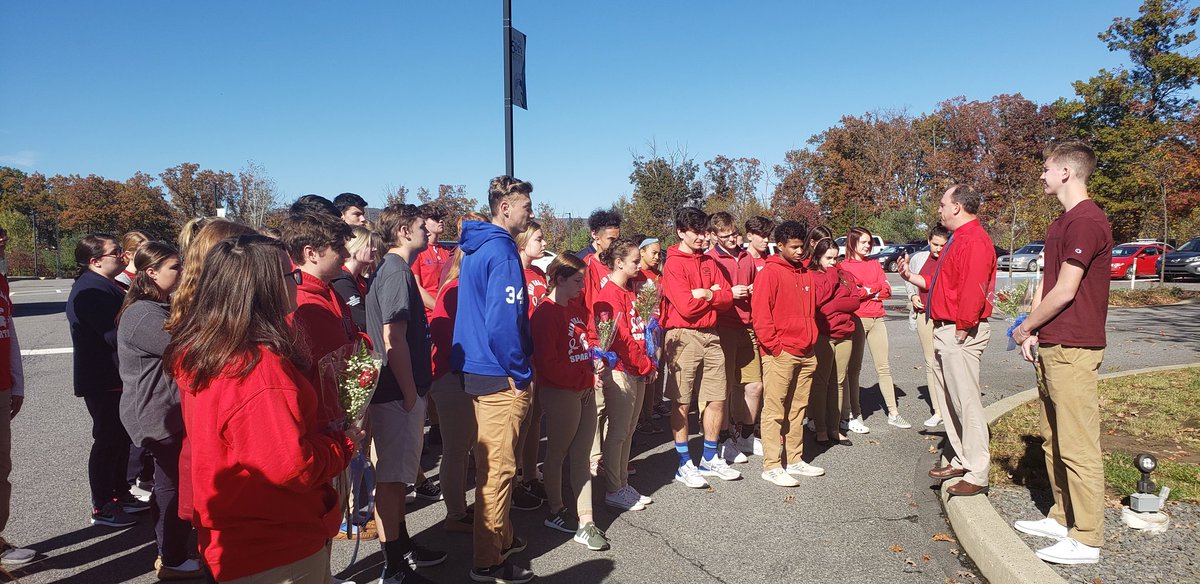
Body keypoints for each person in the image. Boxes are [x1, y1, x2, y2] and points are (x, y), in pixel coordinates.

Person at [168, 234, 358, 583]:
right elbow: (290, 466)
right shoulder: (256, 367)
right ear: (267, 288)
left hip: (235, 529)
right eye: (291, 276)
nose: (296, 282)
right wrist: (342, 444)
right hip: (273, 541)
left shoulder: (210, 348)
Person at [1010, 142, 1112, 565]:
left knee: (1077, 444)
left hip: (1075, 348)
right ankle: (1061, 515)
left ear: (1067, 172)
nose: (1042, 174)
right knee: (1053, 439)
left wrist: (1026, 326)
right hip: (1052, 343)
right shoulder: (1062, 223)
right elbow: (1047, 286)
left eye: (1047, 167)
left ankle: (1087, 538)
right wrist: (1032, 330)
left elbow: (1068, 290)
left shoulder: (1087, 222)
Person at [452, 175, 535, 584]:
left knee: (494, 464)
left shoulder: (476, 247)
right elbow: (504, 323)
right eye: (525, 206)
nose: (530, 213)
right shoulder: (500, 251)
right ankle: (487, 561)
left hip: (480, 371)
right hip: (499, 375)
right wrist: (521, 373)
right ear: (505, 208)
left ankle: (503, 538)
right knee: (498, 471)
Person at [365, 204, 447, 583]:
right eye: (419, 226)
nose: (426, 232)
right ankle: (394, 564)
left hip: (401, 391)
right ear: (402, 230)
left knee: (397, 478)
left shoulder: (395, 269)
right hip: (398, 392)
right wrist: (411, 393)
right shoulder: (396, 271)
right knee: (393, 480)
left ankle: (403, 547)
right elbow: (392, 337)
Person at [115, 241, 201, 580]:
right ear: (151, 272)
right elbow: (187, 350)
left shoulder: (158, 307)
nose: (181, 273)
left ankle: (171, 549)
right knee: (172, 485)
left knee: (172, 483)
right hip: (155, 414)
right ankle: (173, 556)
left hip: (166, 410)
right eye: (174, 268)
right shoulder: (143, 314)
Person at [912, 184, 996, 498]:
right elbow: (948, 282)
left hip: (960, 331)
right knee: (951, 401)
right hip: (947, 328)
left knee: (966, 402)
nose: (940, 209)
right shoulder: (959, 239)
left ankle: (977, 471)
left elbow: (974, 287)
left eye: (943, 203)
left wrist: (963, 327)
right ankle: (962, 458)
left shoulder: (973, 240)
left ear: (958, 206)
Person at [67, 234, 151, 528]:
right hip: (104, 377)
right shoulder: (90, 290)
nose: (123, 256)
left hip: (116, 375)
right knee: (107, 439)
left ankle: (119, 492)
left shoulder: (107, 285)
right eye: (116, 252)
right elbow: (114, 334)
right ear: (95, 261)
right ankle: (101, 504)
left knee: (120, 438)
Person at [530, 254, 609, 551]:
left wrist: (596, 359)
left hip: (584, 387)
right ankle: (556, 509)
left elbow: (588, 338)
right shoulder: (545, 314)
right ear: (559, 279)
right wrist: (585, 376)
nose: (582, 287)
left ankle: (586, 520)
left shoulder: (575, 305)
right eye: (577, 281)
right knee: (558, 452)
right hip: (562, 392)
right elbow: (548, 365)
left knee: (582, 455)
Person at [661, 207, 740, 489]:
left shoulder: (709, 261)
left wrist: (708, 293)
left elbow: (728, 297)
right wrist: (714, 295)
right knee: (682, 401)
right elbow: (685, 306)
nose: (701, 237)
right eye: (695, 232)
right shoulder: (673, 264)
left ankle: (709, 457)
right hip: (683, 335)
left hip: (712, 333)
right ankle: (684, 463)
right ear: (681, 232)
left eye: (704, 231)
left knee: (717, 397)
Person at [750, 221, 824, 487]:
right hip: (781, 353)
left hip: (806, 351)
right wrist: (775, 347)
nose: (799, 251)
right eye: (793, 247)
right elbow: (760, 314)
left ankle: (794, 459)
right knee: (774, 410)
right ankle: (771, 464)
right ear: (779, 246)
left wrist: (810, 342)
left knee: (798, 409)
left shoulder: (804, 272)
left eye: (801, 246)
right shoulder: (770, 273)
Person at [590, 239, 656, 510]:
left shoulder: (628, 292)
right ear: (618, 263)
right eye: (634, 262)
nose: (639, 266)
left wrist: (649, 357)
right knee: (618, 431)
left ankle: (621, 483)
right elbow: (621, 339)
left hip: (637, 368)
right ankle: (614, 487)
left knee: (628, 430)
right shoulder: (609, 294)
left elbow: (639, 329)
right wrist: (643, 364)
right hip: (621, 370)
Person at [840, 226, 909, 432]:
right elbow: (852, 294)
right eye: (863, 242)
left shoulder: (875, 264)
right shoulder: (844, 266)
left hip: (877, 318)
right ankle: (854, 413)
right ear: (852, 242)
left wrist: (870, 291)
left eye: (869, 242)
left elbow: (886, 290)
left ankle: (893, 412)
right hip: (857, 320)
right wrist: (870, 290)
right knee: (854, 369)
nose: (868, 245)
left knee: (884, 366)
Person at [705, 212, 762, 464]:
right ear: (714, 235)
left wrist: (752, 289)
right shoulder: (710, 259)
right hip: (724, 327)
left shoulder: (746, 257)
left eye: (733, 234)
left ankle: (747, 435)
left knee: (754, 385)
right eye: (725, 236)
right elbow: (709, 294)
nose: (731, 240)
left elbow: (756, 285)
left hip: (748, 326)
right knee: (724, 388)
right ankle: (724, 438)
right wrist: (729, 292)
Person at [808, 235, 860, 446]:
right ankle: (820, 428)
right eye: (828, 258)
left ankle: (834, 427)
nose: (833, 262)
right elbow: (819, 300)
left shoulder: (845, 275)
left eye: (835, 258)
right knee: (821, 383)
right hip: (823, 335)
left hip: (844, 334)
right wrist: (831, 276)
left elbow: (855, 300)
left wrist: (834, 306)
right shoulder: (813, 275)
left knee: (838, 382)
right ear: (818, 257)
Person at [0, 232, 32, 566]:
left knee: (1, 468)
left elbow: (9, 333)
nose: (1, 240)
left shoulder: (1, 282)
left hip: (2, 388)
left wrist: (17, 383)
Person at [900, 224, 952, 428]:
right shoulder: (919, 258)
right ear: (928, 241)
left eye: (942, 245)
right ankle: (938, 410)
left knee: (948, 361)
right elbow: (909, 279)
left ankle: (950, 407)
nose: (938, 249)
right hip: (924, 315)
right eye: (934, 244)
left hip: (945, 317)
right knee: (931, 362)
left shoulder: (951, 258)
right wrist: (912, 295)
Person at [514, 221, 549, 510]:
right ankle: (512, 479)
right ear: (524, 242)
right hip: (522, 356)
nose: (544, 243)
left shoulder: (538, 272)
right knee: (520, 421)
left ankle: (529, 474)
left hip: (540, 355)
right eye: (538, 239)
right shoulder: (513, 272)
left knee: (535, 418)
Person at [634, 236, 665, 433]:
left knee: (654, 369)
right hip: (639, 329)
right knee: (641, 371)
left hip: (656, 328)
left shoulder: (658, 276)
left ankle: (648, 415)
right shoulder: (636, 275)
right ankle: (638, 418)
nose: (656, 257)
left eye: (659, 253)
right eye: (652, 252)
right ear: (642, 252)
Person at [331, 225, 382, 331]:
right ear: (355, 247)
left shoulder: (360, 280)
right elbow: (362, 321)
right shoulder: (342, 281)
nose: (374, 249)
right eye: (369, 245)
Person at [413, 204, 451, 316]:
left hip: (448, 313)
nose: (441, 221)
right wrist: (438, 308)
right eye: (435, 218)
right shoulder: (417, 252)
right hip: (428, 316)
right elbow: (416, 287)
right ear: (423, 222)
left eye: (441, 218)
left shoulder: (447, 251)